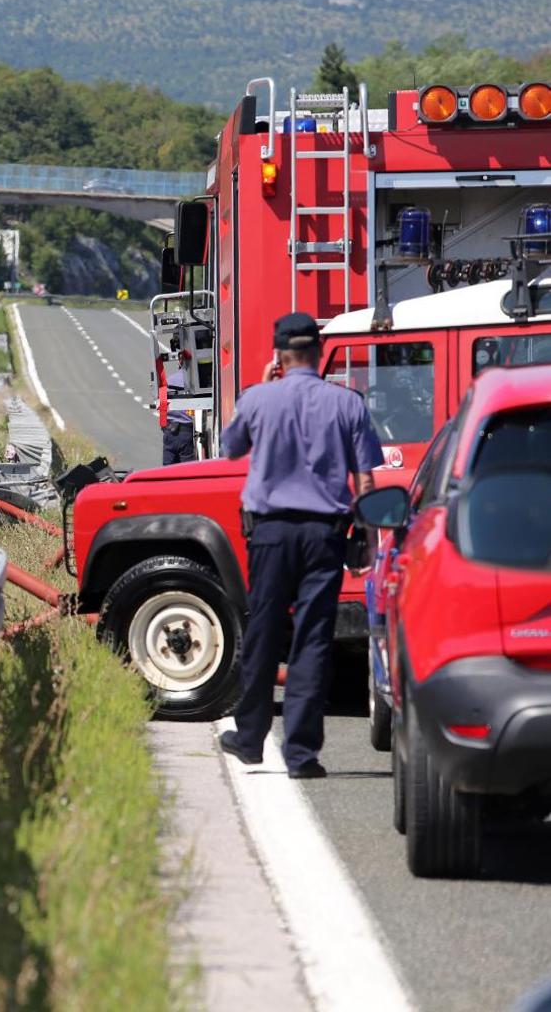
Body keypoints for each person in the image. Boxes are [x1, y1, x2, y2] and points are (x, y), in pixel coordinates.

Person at [219, 312, 383, 779]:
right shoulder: (347, 404)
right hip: (325, 537)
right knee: (313, 641)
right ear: (317, 353)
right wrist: (369, 541)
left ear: (280, 355)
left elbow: (231, 449)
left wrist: (258, 387)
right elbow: (366, 479)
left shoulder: (259, 399)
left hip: (270, 534)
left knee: (264, 634)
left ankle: (250, 739)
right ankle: (302, 755)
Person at [159, 344, 197, 464]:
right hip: (187, 431)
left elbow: (162, 408)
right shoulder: (195, 383)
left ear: (180, 360)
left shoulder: (168, 381)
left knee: (168, 474)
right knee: (187, 473)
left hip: (170, 432)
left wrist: (165, 428)